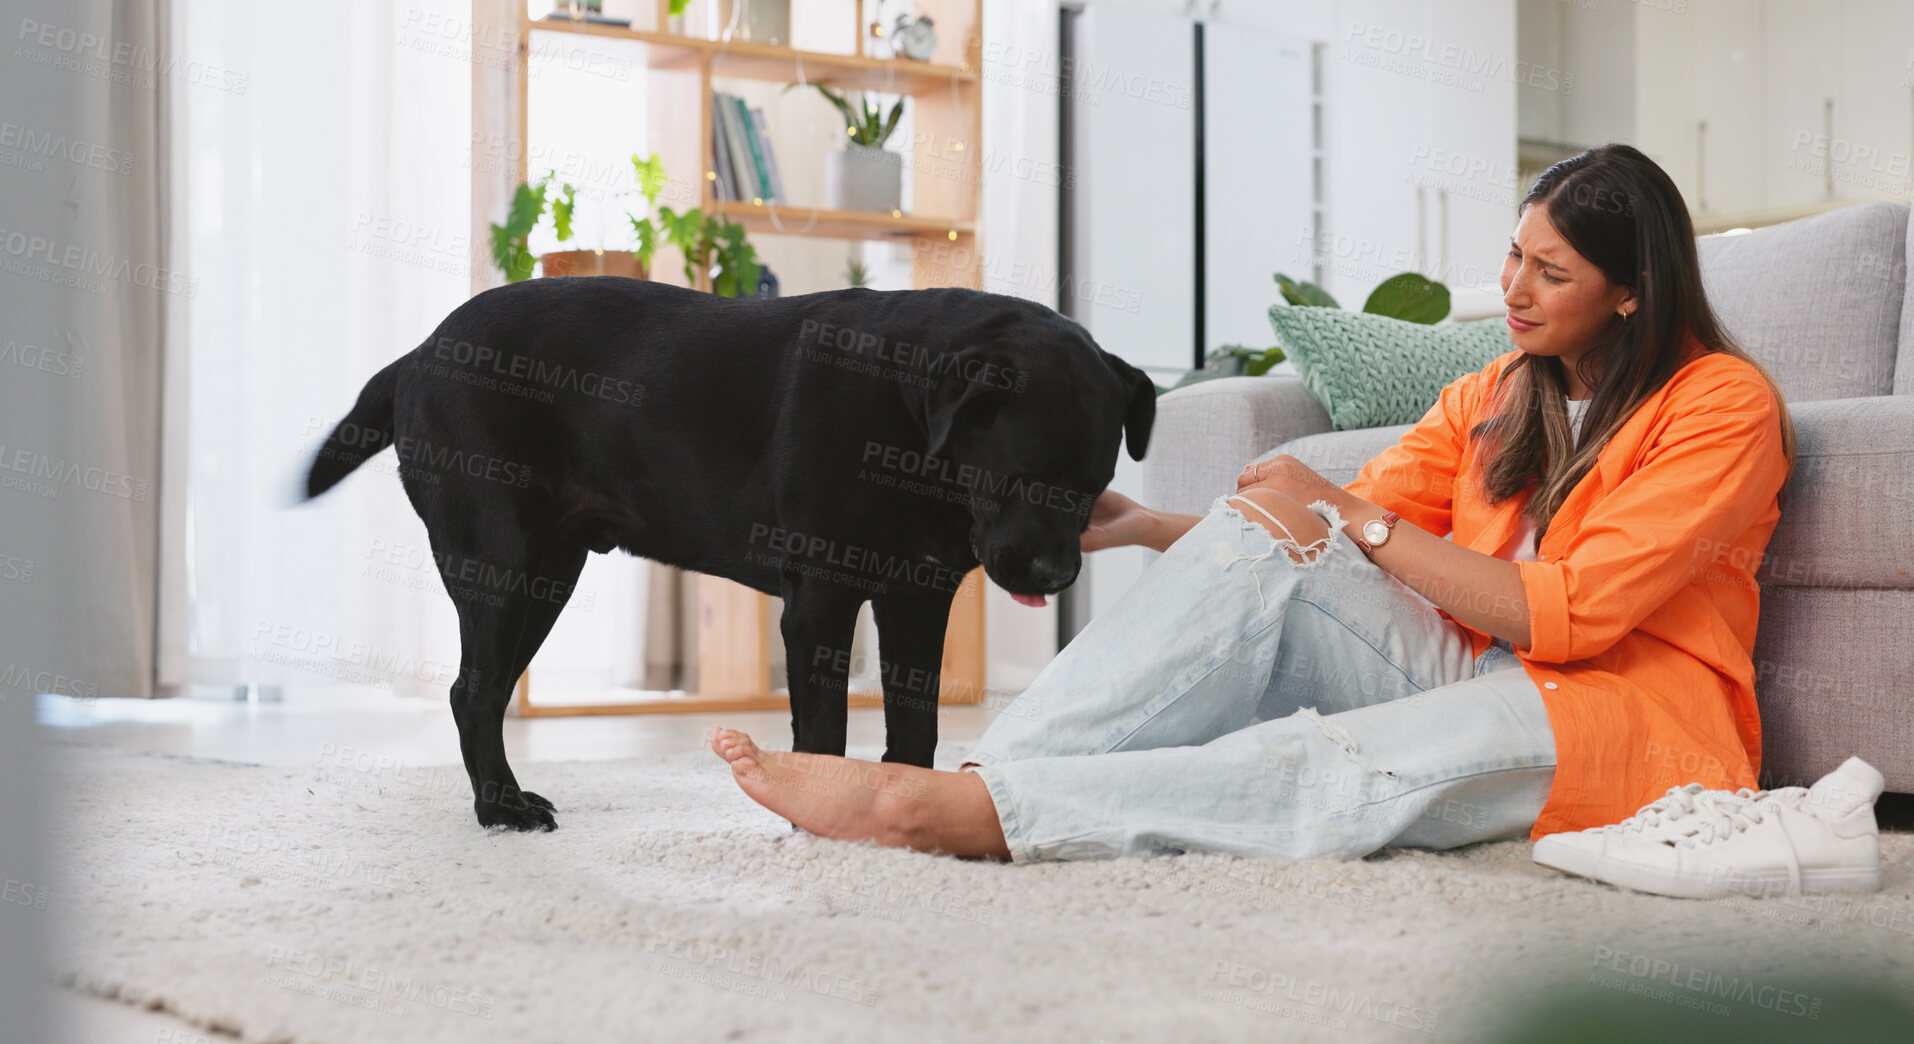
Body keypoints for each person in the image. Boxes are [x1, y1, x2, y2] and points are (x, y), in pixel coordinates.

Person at [708, 143, 1798, 863]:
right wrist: (1150, 528)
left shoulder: (1723, 406)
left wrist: (1356, 519)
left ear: (1633, 290)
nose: (1511, 291)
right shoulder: (1500, 395)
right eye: (1513, 255)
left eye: (1549, 274)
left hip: (1621, 714)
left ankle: (947, 810)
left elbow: (1576, 613)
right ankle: (994, 779)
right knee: (1267, 523)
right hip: (1469, 657)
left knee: (1331, 762)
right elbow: (1319, 537)